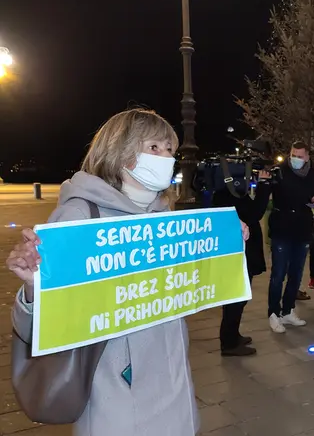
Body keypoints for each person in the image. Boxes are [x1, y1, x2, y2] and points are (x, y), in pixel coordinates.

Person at [5, 109, 248, 435]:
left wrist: (225, 242)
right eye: (155, 148)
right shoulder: (81, 214)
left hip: (172, 376)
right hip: (116, 388)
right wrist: (35, 285)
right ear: (121, 150)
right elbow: (46, 322)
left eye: (170, 151)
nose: (166, 158)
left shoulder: (163, 213)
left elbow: (185, 282)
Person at [213, 169, 272, 356]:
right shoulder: (229, 195)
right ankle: (229, 343)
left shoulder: (225, 194)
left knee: (239, 298)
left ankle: (232, 335)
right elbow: (255, 213)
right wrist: (264, 185)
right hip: (238, 254)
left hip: (241, 252)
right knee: (236, 299)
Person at [267, 141, 314, 333]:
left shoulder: (311, 174)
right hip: (283, 228)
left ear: (307, 157)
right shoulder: (280, 172)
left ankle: (288, 310)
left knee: (296, 273)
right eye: (293, 155)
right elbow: (272, 192)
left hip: (303, 228)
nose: (296, 159)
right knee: (278, 274)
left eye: (300, 156)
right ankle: (273, 313)